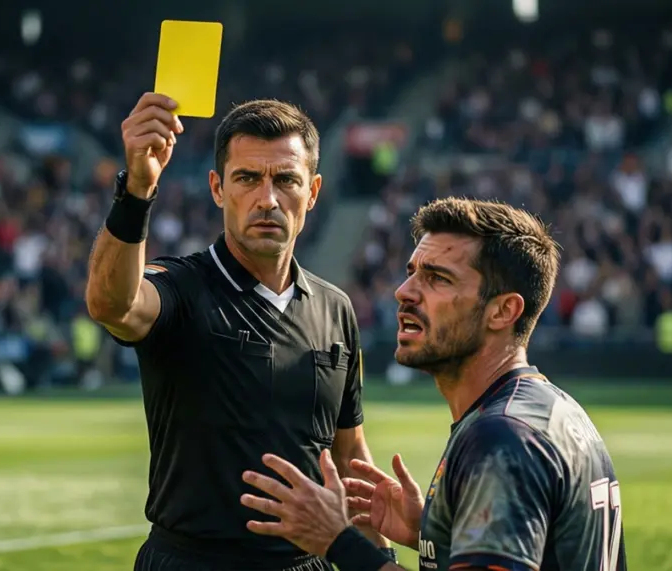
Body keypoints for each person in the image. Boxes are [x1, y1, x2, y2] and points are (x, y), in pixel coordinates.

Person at [85, 93, 394, 571]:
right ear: (217, 188)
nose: (267, 199)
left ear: (312, 193)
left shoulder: (336, 308)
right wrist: (137, 191)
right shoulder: (183, 288)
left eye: (286, 180)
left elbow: (350, 454)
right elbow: (111, 303)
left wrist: (378, 555)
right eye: (248, 178)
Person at [238, 197, 627, 571]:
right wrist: (432, 534)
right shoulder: (553, 409)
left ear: (503, 311)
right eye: (412, 273)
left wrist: (338, 540)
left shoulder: (503, 437)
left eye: (438, 278)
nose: (404, 293)